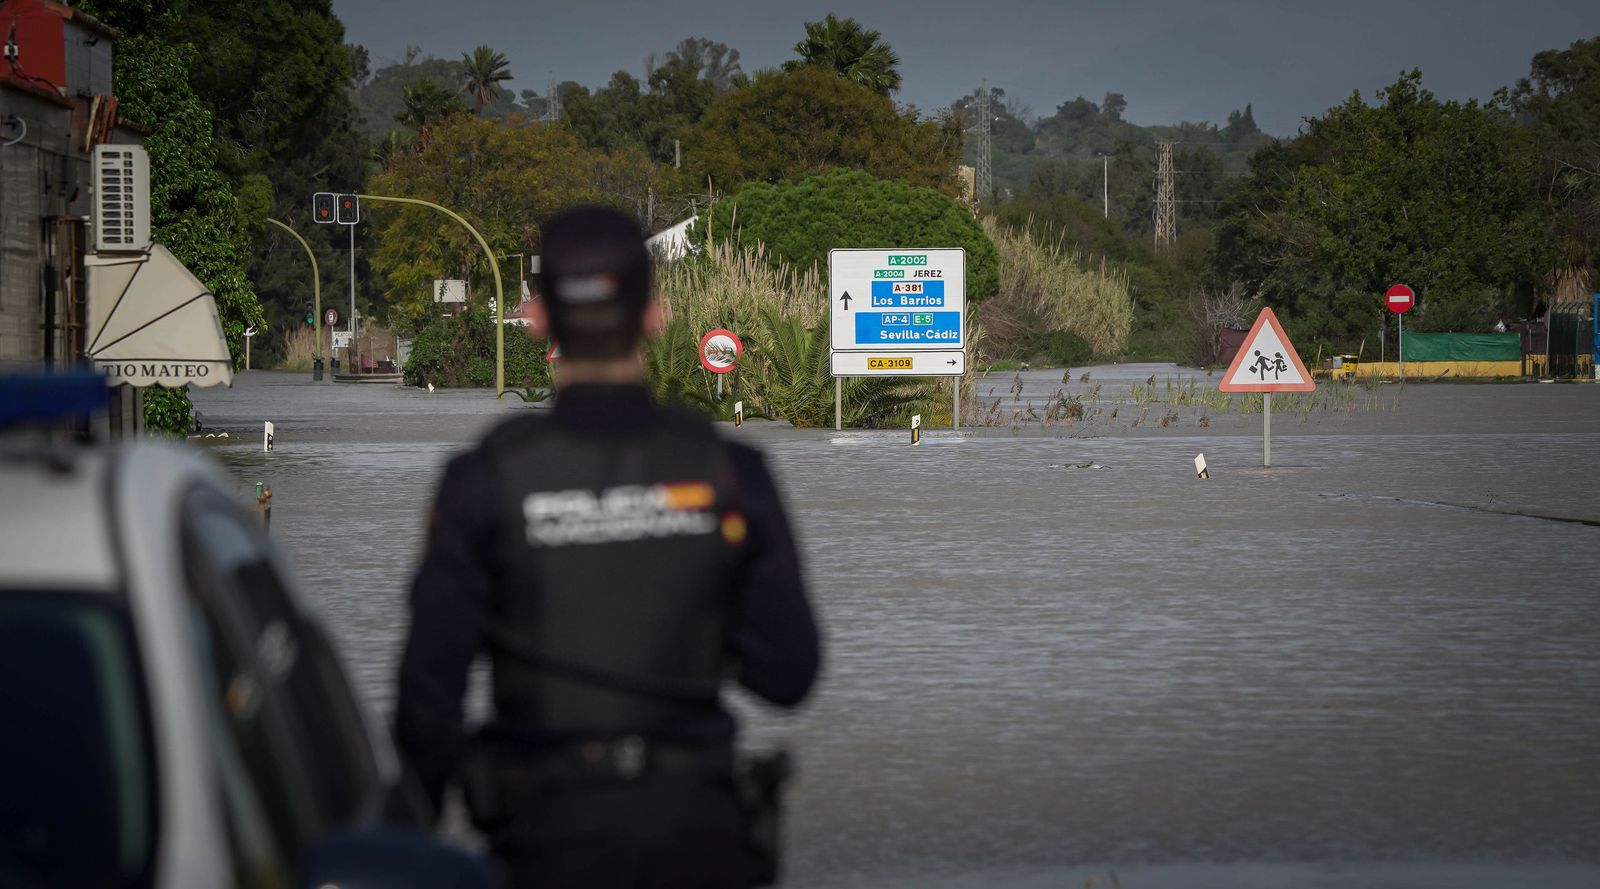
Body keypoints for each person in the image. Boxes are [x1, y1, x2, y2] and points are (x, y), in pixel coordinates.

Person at [393, 205, 821, 889]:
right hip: (701, 835)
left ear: (538, 319)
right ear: (653, 316)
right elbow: (789, 675)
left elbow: (429, 696)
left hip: (546, 838)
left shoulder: (484, 479)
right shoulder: (731, 472)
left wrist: (409, 823)